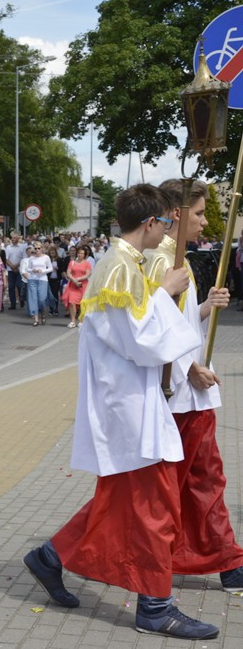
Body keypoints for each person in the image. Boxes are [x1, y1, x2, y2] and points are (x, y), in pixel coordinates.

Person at [22, 184, 216, 640]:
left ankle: (50, 558)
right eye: (166, 223)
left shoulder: (126, 264)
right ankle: (154, 608)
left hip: (137, 400)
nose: (169, 230)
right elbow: (142, 342)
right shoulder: (117, 269)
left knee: (128, 504)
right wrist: (166, 293)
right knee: (154, 508)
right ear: (151, 223)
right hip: (127, 405)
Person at [147, 179, 243, 594]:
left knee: (198, 482)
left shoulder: (178, 261)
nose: (205, 222)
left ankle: (227, 562)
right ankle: (58, 554)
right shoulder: (163, 263)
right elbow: (154, 329)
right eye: (200, 213)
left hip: (190, 396)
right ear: (177, 214)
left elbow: (183, 324)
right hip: (181, 397)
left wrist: (207, 307)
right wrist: (188, 369)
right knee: (176, 487)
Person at [23, 241, 52, 326]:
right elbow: (28, 269)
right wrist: (33, 270)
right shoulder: (31, 258)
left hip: (42, 279)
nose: (37, 250)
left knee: (42, 299)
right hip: (32, 279)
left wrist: (42, 270)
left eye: (39, 248)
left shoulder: (46, 257)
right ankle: (36, 319)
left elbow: (50, 268)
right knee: (33, 299)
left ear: (42, 248)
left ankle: (43, 313)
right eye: (35, 248)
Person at [62, 246, 91, 328]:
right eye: (79, 253)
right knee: (72, 302)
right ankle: (73, 321)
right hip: (73, 285)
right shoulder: (72, 262)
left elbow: (88, 274)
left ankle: (81, 320)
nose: (80, 255)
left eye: (82, 253)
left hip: (83, 285)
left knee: (82, 303)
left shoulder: (87, 263)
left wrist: (78, 279)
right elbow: (68, 272)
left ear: (85, 255)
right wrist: (74, 280)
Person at [5, 233, 27, 309]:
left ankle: (21, 299)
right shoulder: (8, 247)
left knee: (19, 285)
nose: (13, 239)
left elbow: (23, 258)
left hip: (19, 270)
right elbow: (6, 259)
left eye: (14, 237)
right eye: (12, 238)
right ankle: (13, 304)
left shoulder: (23, 247)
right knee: (11, 287)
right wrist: (13, 267)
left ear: (18, 239)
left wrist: (16, 267)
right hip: (11, 270)